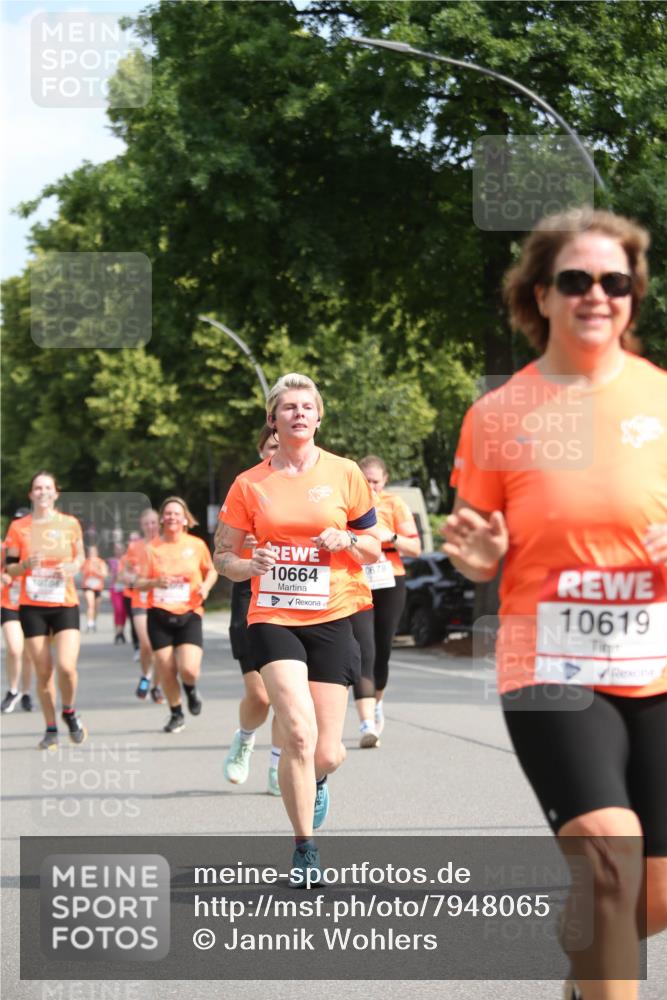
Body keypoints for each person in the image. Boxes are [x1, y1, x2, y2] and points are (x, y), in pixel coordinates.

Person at [442, 207, 667, 999]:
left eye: (615, 281)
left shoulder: (662, 400)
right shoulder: (499, 415)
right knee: (611, 857)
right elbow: (477, 540)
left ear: (633, 296)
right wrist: (480, 561)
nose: (596, 295)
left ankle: (587, 962)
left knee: (649, 896)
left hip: (656, 662)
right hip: (550, 659)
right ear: (539, 295)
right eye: (575, 280)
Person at [215, 373, 380, 881]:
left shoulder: (345, 472)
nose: (299, 414)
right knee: (300, 737)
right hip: (274, 616)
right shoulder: (250, 483)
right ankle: (304, 847)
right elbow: (223, 554)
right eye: (288, 407)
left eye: (307, 407)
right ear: (273, 418)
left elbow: (374, 547)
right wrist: (249, 564)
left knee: (329, 753)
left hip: (331, 615)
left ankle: (317, 781)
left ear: (319, 416)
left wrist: (346, 541)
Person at [4, 471, 86, 750]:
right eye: (37, 488)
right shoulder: (19, 528)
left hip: (64, 603)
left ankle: (70, 711)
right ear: (31, 495)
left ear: (56, 493)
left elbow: (80, 558)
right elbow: (10, 568)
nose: (42, 492)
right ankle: (51, 727)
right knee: (44, 672)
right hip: (32, 607)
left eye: (47, 487)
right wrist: (26, 565)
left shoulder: (70, 524)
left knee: (66, 667)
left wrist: (73, 568)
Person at [221, 425, 283, 796]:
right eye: (270, 447)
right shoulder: (247, 487)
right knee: (260, 696)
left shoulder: (313, 482)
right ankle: (245, 739)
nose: (276, 452)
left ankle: (278, 764)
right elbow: (223, 550)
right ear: (261, 450)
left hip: (295, 599)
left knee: (287, 696)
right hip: (250, 592)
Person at [136, 497, 217, 732]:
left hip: (189, 613)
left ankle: (190, 689)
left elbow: (211, 570)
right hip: (159, 614)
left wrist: (206, 587)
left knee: (189, 669)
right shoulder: (151, 548)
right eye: (168, 513)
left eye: (176, 513)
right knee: (165, 667)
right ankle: (176, 712)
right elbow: (138, 583)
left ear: (185, 519)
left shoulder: (196, 544)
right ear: (162, 518)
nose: (172, 517)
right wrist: (155, 582)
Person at [357, 455, 421, 745]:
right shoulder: (348, 502)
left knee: (382, 649)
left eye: (375, 481)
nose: (370, 486)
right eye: (365, 480)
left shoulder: (395, 504)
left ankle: (377, 702)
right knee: (364, 650)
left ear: (384, 481)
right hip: (356, 581)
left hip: (390, 578)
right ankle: (366, 722)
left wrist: (390, 535)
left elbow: (416, 548)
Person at [123, 510, 164, 702]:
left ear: (159, 523)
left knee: (159, 648)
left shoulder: (165, 545)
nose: (150, 526)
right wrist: (130, 577)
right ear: (142, 525)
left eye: (154, 523)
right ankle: (146, 675)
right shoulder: (135, 546)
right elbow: (125, 572)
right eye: (147, 523)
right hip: (140, 598)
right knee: (146, 644)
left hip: (161, 600)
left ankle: (156, 686)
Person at [1, 510, 34, 713]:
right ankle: (13, 690)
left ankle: (26, 691)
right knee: (15, 648)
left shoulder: (36, 549)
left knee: (29, 653)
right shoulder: (4, 549)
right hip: (9, 603)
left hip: (32, 604)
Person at [80, 544, 108, 632]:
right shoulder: (85, 562)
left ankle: (94, 621)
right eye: (90, 551)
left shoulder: (101, 562)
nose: (91, 553)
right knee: (90, 604)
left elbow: (105, 574)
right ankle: (89, 623)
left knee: (96, 606)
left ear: (96, 552)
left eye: (93, 551)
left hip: (98, 586)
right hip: (88, 586)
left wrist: (96, 571)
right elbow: (81, 572)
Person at [107, 542, 128, 644]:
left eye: (120, 549)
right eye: (117, 549)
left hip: (125, 588)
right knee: (118, 609)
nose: (118, 551)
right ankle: (117, 631)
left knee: (123, 611)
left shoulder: (127, 560)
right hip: (115, 588)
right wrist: (114, 574)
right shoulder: (111, 561)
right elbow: (109, 574)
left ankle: (121, 632)